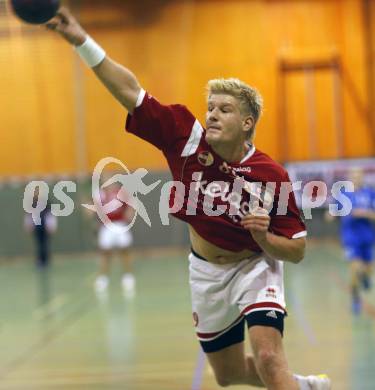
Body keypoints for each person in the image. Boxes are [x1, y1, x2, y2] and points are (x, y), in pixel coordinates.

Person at [46, 8, 331, 389]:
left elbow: (297, 251)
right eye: (210, 107)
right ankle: (304, 385)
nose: (211, 115)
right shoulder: (185, 138)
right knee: (228, 375)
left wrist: (263, 238)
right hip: (206, 273)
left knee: (267, 357)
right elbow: (130, 92)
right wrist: (81, 39)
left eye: (224, 110)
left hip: (253, 267)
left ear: (247, 123)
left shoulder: (270, 175)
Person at [326, 168, 375, 314]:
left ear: (362, 177)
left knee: (368, 269)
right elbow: (331, 214)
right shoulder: (342, 196)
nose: (356, 178)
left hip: (367, 237)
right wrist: (331, 215)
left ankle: (365, 277)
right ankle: (355, 298)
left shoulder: (370, 194)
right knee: (355, 268)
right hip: (350, 238)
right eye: (354, 175)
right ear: (350, 178)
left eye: (359, 175)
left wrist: (365, 213)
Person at [94, 180, 136, 293]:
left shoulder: (121, 193)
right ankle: (103, 277)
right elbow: (96, 209)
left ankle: (128, 276)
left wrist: (129, 214)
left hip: (120, 224)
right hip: (107, 226)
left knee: (125, 250)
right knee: (105, 252)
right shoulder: (100, 194)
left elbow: (131, 206)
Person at [24, 188, 57, 268]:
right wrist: (28, 225)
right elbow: (29, 214)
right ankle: (40, 260)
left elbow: (50, 214)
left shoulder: (46, 203)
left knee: (45, 243)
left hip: (45, 226)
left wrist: (51, 225)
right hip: (36, 226)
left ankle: (46, 260)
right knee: (39, 244)